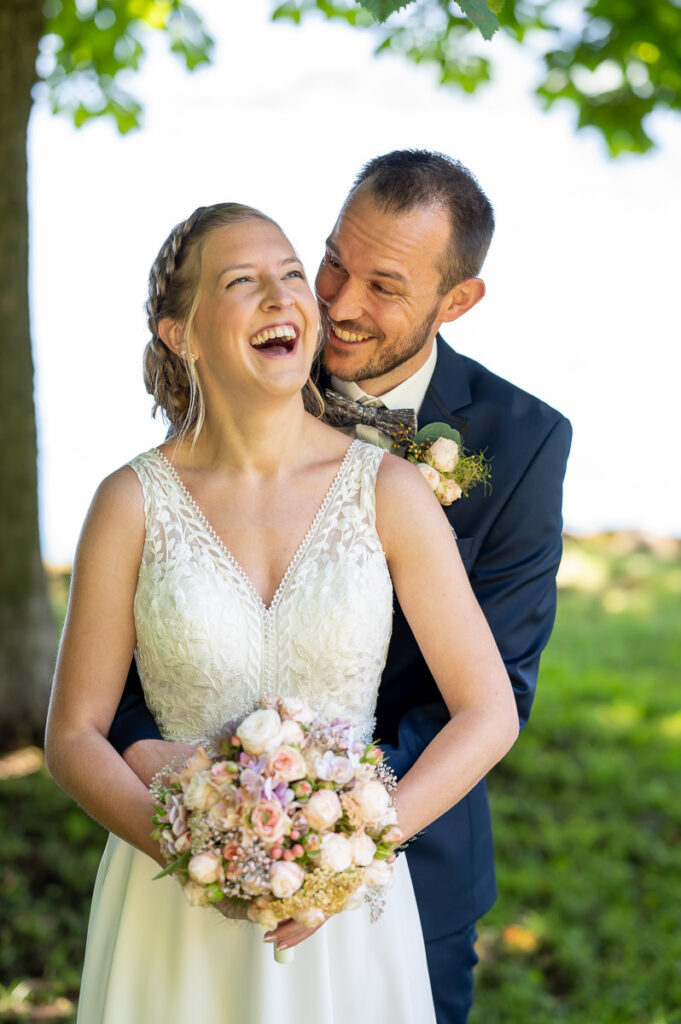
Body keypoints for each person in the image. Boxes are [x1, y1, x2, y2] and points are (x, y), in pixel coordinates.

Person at [109, 152, 572, 1022]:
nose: (337, 304)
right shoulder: (244, 372)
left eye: (385, 287)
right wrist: (170, 774)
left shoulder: (524, 442)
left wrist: (324, 831)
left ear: (457, 300)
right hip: (190, 850)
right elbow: (165, 620)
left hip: (410, 866)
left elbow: (490, 688)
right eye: (331, 262)